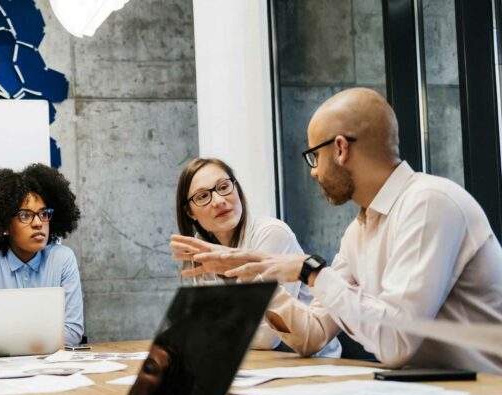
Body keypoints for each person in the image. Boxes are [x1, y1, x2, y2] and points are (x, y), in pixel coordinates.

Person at [181, 88, 502, 373]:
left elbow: (396, 344)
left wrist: (311, 271)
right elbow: (312, 336)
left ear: (339, 148)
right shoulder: (358, 232)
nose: (314, 172)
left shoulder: (429, 202)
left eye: (314, 157)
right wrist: (252, 275)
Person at [170, 158, 340, 357]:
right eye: (202, 196)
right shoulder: (198, 248)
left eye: (224, 187)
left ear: (237, 188)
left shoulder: (272, 233)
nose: (218, 200)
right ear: (190, 212)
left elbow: (267, 337)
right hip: (249, 363)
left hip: (310, 364)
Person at [0, 163, 85, 345]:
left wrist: (7, 339)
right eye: (25, 215)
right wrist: (40, 339)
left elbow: (73, 332)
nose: (38, 223)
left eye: (43, 214)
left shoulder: (62, 259)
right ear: (4, 225)